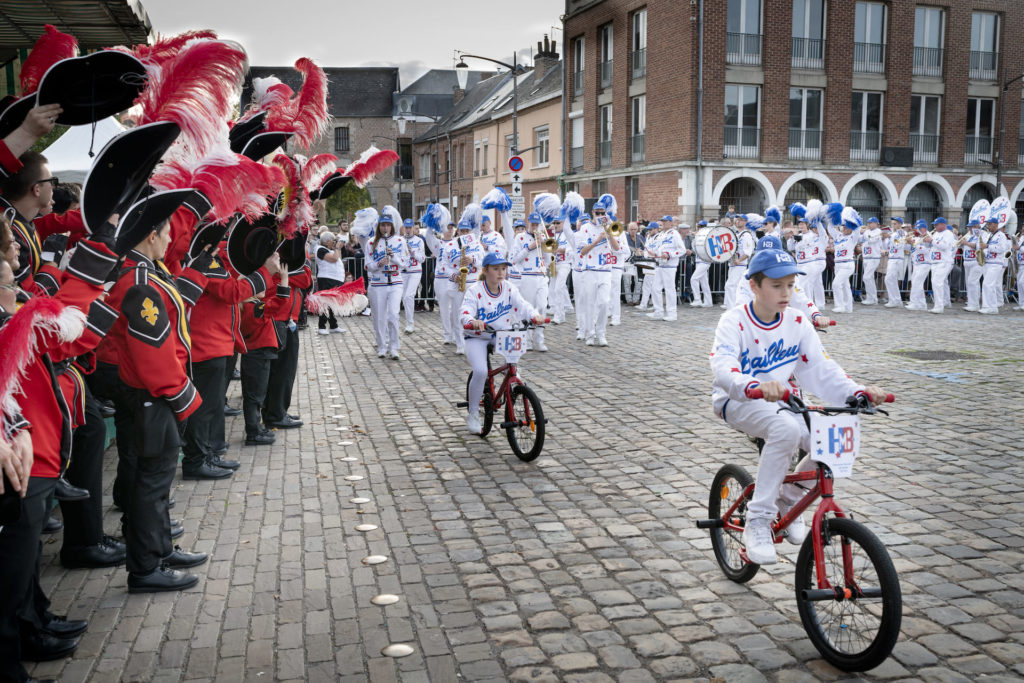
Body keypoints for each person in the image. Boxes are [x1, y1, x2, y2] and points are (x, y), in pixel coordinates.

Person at [709, 247, 887, 565]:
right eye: (777, 286)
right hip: (737, 400)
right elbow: (723, 368)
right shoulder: (733, 321)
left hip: (785, 401)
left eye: (791, 285)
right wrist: (754, 386)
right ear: (754, 286)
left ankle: (787, 501)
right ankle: (758, 522)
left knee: (838, 440)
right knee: (786, 429)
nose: (786, 293)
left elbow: (821, 369)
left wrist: (858, 391)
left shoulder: (798, 322)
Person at [460, 252, 543, 434]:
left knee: (513, 368)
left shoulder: (509, 288)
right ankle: (473, 413)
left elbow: (523, 305)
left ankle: (515, 395)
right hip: (477, 336)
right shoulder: (475, 290)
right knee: (481, 371)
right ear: (485, 270)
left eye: (503, 269)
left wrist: (534, 316)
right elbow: (465, 311)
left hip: (501, 334)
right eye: (496, 269)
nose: (500, 273)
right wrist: (471, 320)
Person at [240, 260, 289, 445]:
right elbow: (279, 302)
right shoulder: (253, 308)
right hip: (258, 354)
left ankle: (256, 428)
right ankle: (253, 431)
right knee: (255, 395)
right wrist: (284, 279)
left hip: (256, 354)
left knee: (255, 394)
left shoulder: (251, 305)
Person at [563, 194, 620, 346]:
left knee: (604, 303)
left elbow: (616, 248)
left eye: (603, 213)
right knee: (589, 304)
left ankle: (601, 333)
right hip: (589, 270)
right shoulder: (585, 229)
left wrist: (608, 233)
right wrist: (598, 240)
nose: (601, 215)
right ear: (593, 213)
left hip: (605, 271)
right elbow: (582, 251)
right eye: (598, 213)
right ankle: (589, 334)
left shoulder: (609, 226)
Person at [364, 209, 408, 359]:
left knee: (393, 315)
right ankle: (382, 346)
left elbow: (405, 263)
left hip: (395, 282)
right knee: (379, 318)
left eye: (388, 225)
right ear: (379, 226)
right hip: (377, 283)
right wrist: (378, 263)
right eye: (383, 225)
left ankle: (394, 347)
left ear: (392, 226)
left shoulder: (400, 241)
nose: (385, 228)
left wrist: (393, 257)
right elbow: (368, 265)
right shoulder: (371, 242)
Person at [510, 212, 551, 351]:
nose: (534, 227)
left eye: (536, 224)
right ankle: (527, 340)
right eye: (532, 224)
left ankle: (539, 339)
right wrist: (530, 247)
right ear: (528, 223)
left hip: (541, 275)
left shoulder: (543, 236)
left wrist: (545, 247)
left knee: (542, 305)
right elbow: (514, 258)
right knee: (529, 308)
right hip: (527, 276)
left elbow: (548, 259)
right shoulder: (520, 238)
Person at [424, 221, 457, 344]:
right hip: (440, 278)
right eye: (447, 228)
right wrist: (431, 222)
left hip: (453, 278)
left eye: (451, 228)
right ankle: (447, 334)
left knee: (454, 308)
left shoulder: (457, 242)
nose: (450, 230)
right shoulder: (438, 244)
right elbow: (428, 237)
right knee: (444, 309)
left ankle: (455, 333)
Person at [647, 218, 685, 320]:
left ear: (671, 223)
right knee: (655, 288)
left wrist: (669, 254)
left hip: (670, 266)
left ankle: (672, 314)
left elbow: (682, 250)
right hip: (660, 264)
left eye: (666, 221)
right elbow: (659, 250)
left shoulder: (675, 234)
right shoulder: (660, 235)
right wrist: (654, 254)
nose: (664, 223)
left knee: (669, 289)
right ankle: (658, 311)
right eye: (663, 221)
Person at [826, 210, 861, 314]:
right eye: (843, 226)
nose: (844, 228)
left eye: (847, 226)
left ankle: (840, 305)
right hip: (838, 264)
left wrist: (854, 218)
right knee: (845, 286)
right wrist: (833, 218)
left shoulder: (853, 237)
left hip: (847, 264)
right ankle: (848, 307)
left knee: (836, 284)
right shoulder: (838, 236)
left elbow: (858, 229)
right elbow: (830, 228)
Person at [313, 231, 345, 334]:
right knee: (325, 302)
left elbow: (338, 257)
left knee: (332, 304)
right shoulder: (320, 249)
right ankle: (321, 326)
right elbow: (334, 259)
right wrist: (336, 248)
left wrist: (338, 248)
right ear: (327, 241)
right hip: (326, 279)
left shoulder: (329, 250)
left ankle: (333, 325)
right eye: (333, 240)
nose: (334, 243)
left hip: (334, 279)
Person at [723, 213, 755, 309]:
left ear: (745, 222)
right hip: (733, 264)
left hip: (740, 265)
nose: (738, 221)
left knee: (730, 286)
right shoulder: (735, 234)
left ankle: (732, 308)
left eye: (740, 220)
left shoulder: (746, 235)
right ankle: (734, 307)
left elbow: (748, 252)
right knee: (734, 286)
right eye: (737, 219)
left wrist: (739, 260)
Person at [979, 216, 1010, 314]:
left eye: (989, 224)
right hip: (989, 262)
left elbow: (1001, 248)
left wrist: (987, 246)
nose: (987, 226)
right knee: (987, 284)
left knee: (988, 284)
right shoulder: (990, 235)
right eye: (987, 224)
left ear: (996, 225)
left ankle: (991, 307)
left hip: (996, 263)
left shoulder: (1001, 236)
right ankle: (989, 306)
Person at [400, 218, 425, 334]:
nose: (408, 230)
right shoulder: (400, 240)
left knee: (409, 296)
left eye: (410, 228)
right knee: (404, 297)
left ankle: (410, 323)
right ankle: (408, 321)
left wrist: (412, 252)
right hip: (403, 272)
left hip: (415, 271)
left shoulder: (419, 241)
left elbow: (422, 258)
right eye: (406, 227)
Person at [926, 217, 956, 314]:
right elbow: (932, 246)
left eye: (936, 224)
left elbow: (944, 246)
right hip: (935, 261)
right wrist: (926, 241)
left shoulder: (948, 234)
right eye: (934, 224)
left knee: (937, 282)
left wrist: (931, 241)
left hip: (943, 261)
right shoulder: (936, 233)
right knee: (935, 283)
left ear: (943, 225)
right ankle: (939, 304)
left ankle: (939, 306)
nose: (934, 226)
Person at [906, 220, 932, 311]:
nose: (917, 230)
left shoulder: (928, 237)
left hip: (924, 263)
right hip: (917, 263)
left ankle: (914, 303)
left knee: (917, 283)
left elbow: (928, 250)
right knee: (917, 283)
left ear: (924, 229)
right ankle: (921, 303)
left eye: (919, 228)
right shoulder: (917, 237)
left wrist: (913, 244)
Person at [959, 220, 984, 311]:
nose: (969, 228)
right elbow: (964, 247)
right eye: (969, 226)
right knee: (970, 283)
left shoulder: (981, 235)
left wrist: (966, 243)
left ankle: (975, 304)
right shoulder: (969, 236)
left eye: (971, 226)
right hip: (967, 261)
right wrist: (961, 243)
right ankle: (971, 302)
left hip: (976, 261)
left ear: (977, 227)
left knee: (972, 282)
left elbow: (978, 246)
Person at [690, 220, 714, 307]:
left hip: (705, 261)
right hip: (699, 260)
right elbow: (695, 248)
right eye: (699, 227)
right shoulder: (697, 236)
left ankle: (697, 299)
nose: (699, 228)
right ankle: (708, 301)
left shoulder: (708, 236)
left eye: (701, 227)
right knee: (704, 282)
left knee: (694, 279)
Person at [860, 217, 883, 305]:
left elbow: (871, 239)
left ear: (876, 223)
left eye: (871, 223)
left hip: (874, 257)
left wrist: (864, 232)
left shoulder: (878, 232)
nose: (869, 224)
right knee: (869, 278)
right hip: (867, 257)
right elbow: (860, 240)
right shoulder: (867, 232)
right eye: (868, 223)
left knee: (867, 277)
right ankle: (872, 298)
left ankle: (872, 298)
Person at [882, 224, 905, 307]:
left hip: (896, 259)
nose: (893, 225)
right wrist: (886, 238)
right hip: (892, 258)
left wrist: (891, 237)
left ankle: (894, 300)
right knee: (892, 280)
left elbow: (898, 245)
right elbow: (888, 247)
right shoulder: (894, 235)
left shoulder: (900, 233)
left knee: (888, 279)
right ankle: (896, 300)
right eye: (893, 224)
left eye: (895, 223)